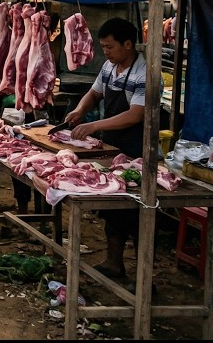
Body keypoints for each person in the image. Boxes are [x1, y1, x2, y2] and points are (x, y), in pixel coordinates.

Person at [63, 18, 150, 280]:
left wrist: (93, 125)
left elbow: (136, 115)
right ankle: (114, 263)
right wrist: (80, 110)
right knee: (113, 207)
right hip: (112, 146)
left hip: (135, 149)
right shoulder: (110, 67)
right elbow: (94, 93)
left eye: (110, 47)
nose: (106, 52)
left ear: (128, 44)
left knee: (134, 212)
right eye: (103, 47)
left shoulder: (143, 73)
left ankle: (144, 277)